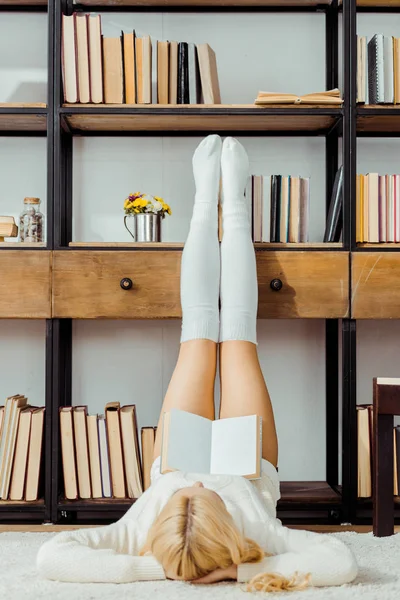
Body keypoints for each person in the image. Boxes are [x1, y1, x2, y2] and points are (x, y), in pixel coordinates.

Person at [36, 136, 358, 592]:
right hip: (246, 471)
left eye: (187, 498)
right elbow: (339, 563)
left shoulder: (139, 530)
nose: (202, 487)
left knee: (199, 335)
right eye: (207, 500)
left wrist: (157, 568)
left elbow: (53, 556)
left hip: (176, 460)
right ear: (231, 534)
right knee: (238, 338)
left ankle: (205, 201)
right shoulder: (257, 534)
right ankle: (237, 207)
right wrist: (239, 570)